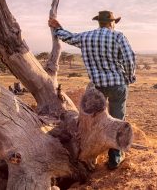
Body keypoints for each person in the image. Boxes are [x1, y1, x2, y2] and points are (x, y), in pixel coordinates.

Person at [48, 10, 136, 169]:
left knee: (97, 121)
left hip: (97, 88)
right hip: (117, 84)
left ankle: (90, 154)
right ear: (112, 23)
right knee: (117, 118)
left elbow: (67, 37)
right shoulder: (118, 36)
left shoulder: (86, 37)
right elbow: (130, 59)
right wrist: (130, 77)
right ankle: (115, 159)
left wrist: (57, 28)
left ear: (99, 22)